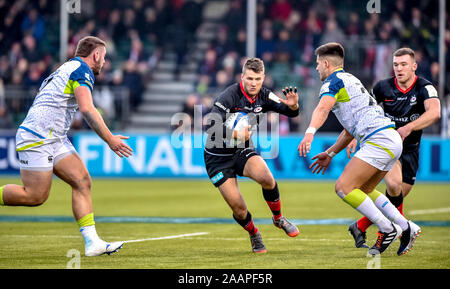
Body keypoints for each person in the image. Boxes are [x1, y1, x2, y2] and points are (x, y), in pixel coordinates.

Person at [0, 36, 133, 257]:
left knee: (82, 181)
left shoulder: (68, 68)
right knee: (35, 196)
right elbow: (87, 108)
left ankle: (92, 243)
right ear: (96, 54)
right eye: (104, 57)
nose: (104, 62)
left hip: (53, 137)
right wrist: (110, 139)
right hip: (38, 136)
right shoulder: (82, 70)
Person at [298, 42, 421, 256]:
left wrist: (310, 131)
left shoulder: (332, 83)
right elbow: (349, 131)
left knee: (343, 187)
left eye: (318, 64)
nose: (316, 68)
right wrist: (330, 153)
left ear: (326, 64)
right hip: (391, 138)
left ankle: (386, 228)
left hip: (378, 140)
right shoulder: (352, 80)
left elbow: (323, 107)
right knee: (363, 189)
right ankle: (406, 226)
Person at [347, 47, 440, 249]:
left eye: (404, 64)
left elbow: (434, 113)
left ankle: (359, 226)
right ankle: (395, 232)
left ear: (414, 66)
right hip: (387, 145)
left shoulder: (425, 88)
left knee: (396, 196)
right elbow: (364, 111)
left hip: (411, 149)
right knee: (394, 184)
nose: (399, 68)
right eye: (396, 65)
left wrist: (409, 127)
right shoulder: (382, 87)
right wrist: (354, 136)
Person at [203, 57, 300, 253]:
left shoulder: (265, 95)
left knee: (267, 178)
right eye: (249, 79)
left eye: (257, 79)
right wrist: (236, 134)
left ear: (263, 78)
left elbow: (291, 114)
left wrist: (293, 106)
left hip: (241, 149)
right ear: (242, 77)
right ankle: (254, 233)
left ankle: (279, 218)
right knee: (238, 208)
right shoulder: (229, 96)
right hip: (217, 157)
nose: (253, 83)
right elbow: (209, 125)